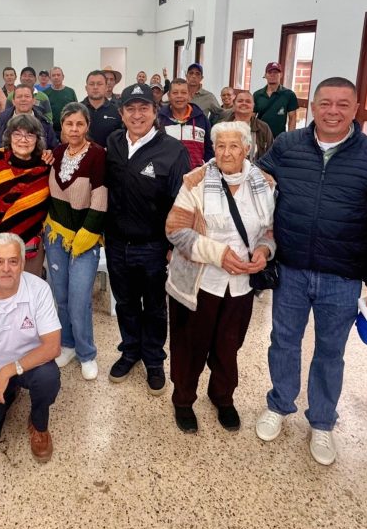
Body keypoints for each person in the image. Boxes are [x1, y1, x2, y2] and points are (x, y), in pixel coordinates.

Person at [255, 77, 367, 466]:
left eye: (343, 104)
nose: (333, 111)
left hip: (343, 275)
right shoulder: (287, 145)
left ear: (356, 108)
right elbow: (255, 181)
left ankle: (322, 421)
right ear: (312, 107)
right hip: (292, 268)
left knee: (331, 351)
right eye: (325, 103)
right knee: (284, 341)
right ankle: (280, 404)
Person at [165, 121, 277, 433]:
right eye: (220, 146)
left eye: (234, 146)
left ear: (247, 149)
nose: (226, 153)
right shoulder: (196, 181)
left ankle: (222, 397)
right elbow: (175, 229)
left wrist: (264, 251)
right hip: (199, 283)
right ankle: (183, 400)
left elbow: (269, 230)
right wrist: (219, 255)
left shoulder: (264, 183)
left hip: (240, 286)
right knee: (190, 346)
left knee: (229, 346)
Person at [104, 83, 191, 392]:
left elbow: (182, 203)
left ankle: (154, 359)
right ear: (121, 113)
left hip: (154, 246)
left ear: (156, 112)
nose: (137, 114)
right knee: (125, 303)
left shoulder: (173, 151)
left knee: (154, 306)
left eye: (144, 108)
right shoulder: (113, 142)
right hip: (116, 243)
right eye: (131, 108)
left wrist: (172, 246)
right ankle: (130, 351)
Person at [0, 233, 62, 462]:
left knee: (48, 377)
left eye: (13, 261)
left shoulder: (39, 290)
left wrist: (8, 371)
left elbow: (53, 346)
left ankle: (38, 424)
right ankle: (5, 396)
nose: (6, 269)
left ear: (22, 264)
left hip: (28, 366)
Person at [44, 103, 107, 381]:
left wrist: (86, 235)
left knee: (79, 299)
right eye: (69, 124)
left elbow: (100, 198)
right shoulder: (56, 153)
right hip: (55, 235)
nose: (74, 129)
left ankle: (87, 353)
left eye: (79, 124)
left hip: (85, 238)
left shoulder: (97, 155)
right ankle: (67, 345)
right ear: (62, 126)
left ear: (87, 126)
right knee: (61, 296)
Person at [0, 113, 52, 276]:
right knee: (2, 287)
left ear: (37, 139)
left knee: (29, 287)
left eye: (30, 135)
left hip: (31, 243)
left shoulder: (46, 166)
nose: (23, 139)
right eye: (17, 134)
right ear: (9, 137)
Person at [158, 79, 214, 168]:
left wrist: (204, 170)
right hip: (166, 175)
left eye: (183, 92)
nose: (179, 96)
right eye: (175, 93)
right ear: (169, 96)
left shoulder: (202, 119)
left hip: (197, 175)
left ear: (189, 95)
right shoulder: (159, 120)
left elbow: (210, 150)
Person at [0, 84, 57, 148]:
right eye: (19, 97)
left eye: (27, 96)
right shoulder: (2, 120)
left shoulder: (43, 122)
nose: (23, 99)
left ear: (33, 100)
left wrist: (48, 152)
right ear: (13, 101)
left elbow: (53, 146)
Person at [254, 62, 300, 139]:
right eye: (270, 72)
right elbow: (251, 117)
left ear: (281, 75)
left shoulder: (289, 94)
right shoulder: (257, 95)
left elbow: (292, 118)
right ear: (265, 75)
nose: (272, 74)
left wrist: (290, 138)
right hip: (259, 137)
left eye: (276, 72)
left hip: (279, 138)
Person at [226, 89, 273, 160]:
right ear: (234, 105)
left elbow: (271, 154)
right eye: (240, 101)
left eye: (248, 101)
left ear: (253, 106)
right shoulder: (223, 127)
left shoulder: (263, 128)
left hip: (256, 166)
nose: (244, 103)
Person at [83, 70, 124, 147]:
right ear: (86, 88)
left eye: (99, 84)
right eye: (91, 84)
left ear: (106, 87)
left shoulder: (117, 112)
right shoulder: (77, 110)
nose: (95, 87)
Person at [44, 67, 78, 136]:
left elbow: (77, 110)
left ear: (63, 77)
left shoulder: (70, 92)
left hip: (69, 130)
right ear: (50, 78)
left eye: (58, 75)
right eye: (53, 75)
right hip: (51, 131)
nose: (56, 77)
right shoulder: (45, 93)